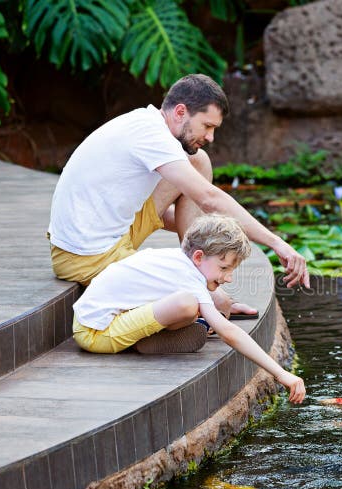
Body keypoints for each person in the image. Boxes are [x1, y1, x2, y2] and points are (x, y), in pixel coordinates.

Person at [47, 73, 309, 317]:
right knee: (190, 302)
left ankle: (198, 271)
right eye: (207, 126)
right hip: (86, 258)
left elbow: (180, 212)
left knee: (198, 161)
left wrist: (216, 235)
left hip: (118, 232)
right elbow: (209, 198)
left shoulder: (149, 123)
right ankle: (200, 289)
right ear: (181, 111)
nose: (211, 136)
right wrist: (276, 243)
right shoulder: (151, 136)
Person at [72, 213, 306, 404]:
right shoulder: (188, 278)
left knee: (204, 302)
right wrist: (280, 373)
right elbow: (228, 333)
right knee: (188, 304)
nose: (229, 278)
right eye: (224, 268)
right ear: (198, 257)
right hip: (96, 334)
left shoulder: (176, 261)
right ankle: (145, 341)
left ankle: (155, 337)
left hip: (96, 322)